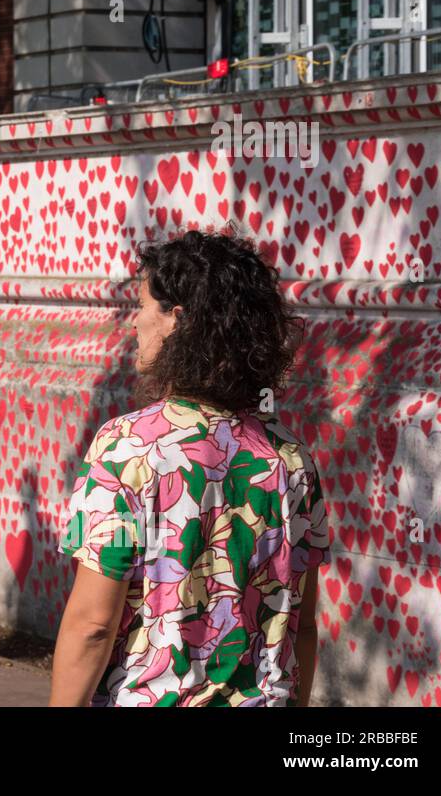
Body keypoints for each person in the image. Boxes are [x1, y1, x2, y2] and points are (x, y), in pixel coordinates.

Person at [51, 229, 330, 706]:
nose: (134, 323)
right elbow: (301, 625)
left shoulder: (128, 449)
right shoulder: (291, 459)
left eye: (141, 305)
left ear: (177, 319)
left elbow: (94, 626)